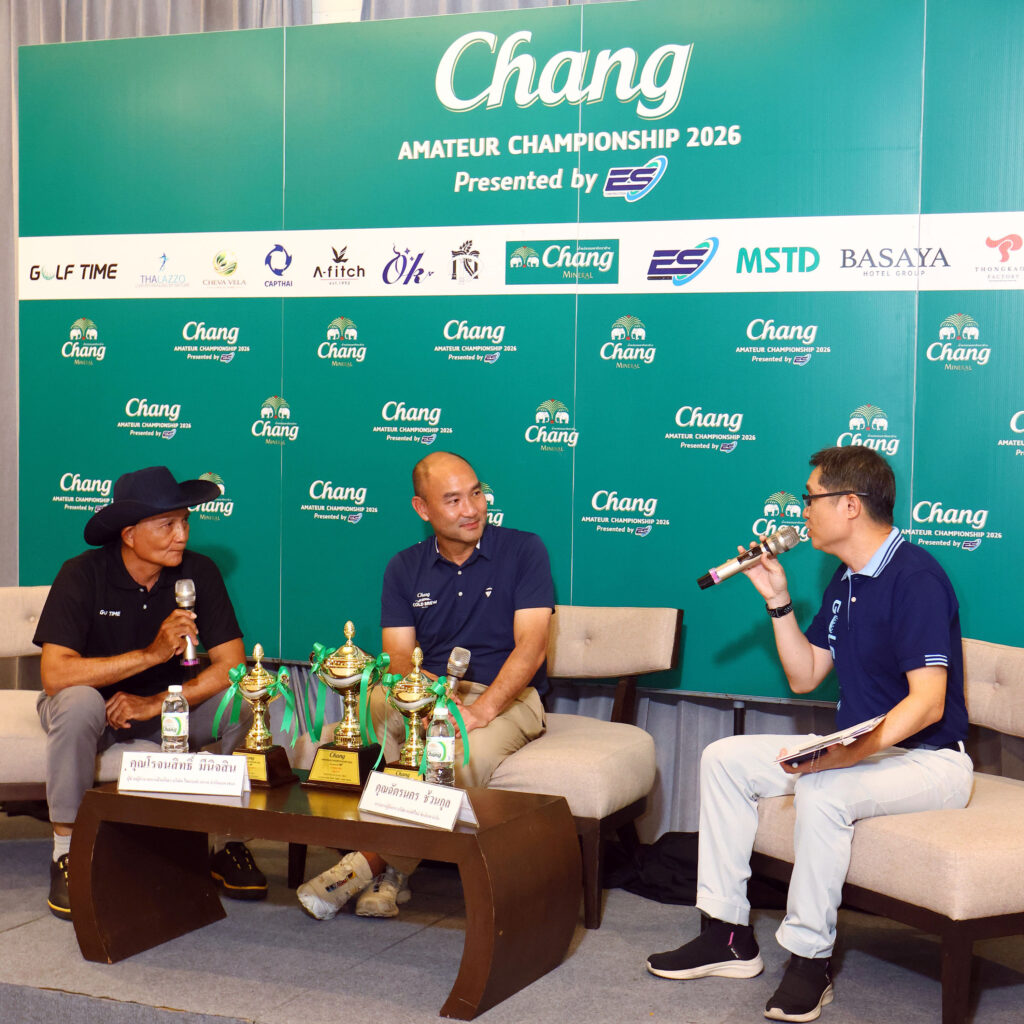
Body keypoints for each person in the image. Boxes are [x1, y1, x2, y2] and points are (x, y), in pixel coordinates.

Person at [645, 446, 973, 1023]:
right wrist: (777, 600)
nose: (801, 512)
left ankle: (809, 960)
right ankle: (726, 936)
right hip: (864, 753)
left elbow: (928, 704)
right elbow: (805, 676)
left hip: (930, 760)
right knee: (723, 758)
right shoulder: (845, 579)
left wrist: (845, 755)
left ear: (850, 505)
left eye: (810, 498)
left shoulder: (916, 577)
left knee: (822, 787)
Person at [298, 450, 553, 920]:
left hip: (504, 697)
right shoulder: (404, 566)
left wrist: (478, 712)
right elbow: (397, 656)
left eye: (476, 494)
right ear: (423, 509)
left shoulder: (524, 550)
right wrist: (425, 692)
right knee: (368, 717)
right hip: (427, 692)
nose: (471, 509)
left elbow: (532, 647)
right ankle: (390, 863)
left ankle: (374, 866)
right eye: (453, 500)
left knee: (455, 753)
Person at [33, 465, 267, 920]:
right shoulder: (82, 574)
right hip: (89, 707)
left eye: (185, 522)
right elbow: (55, 676)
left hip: (166, 707)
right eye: (167, 524)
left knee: (244, 700)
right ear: (129, 534)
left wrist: (157, 702)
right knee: (79, 701)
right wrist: (151, 655)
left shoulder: (200, 572)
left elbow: (233, 666)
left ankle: (229, 841)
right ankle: (67, 849)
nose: (182, 535)